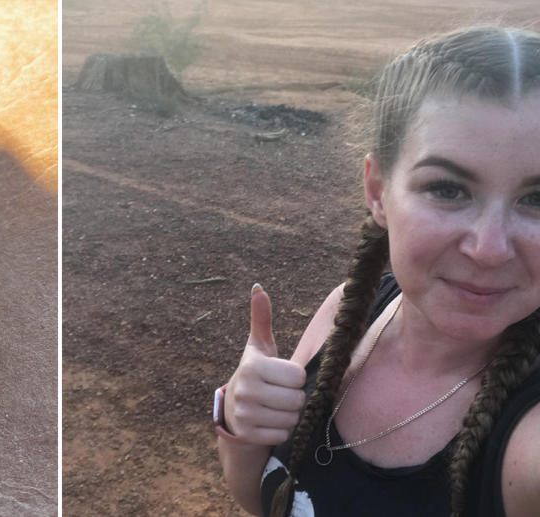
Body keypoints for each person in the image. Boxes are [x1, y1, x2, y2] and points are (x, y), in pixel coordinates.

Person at [213, 26, 540, 517]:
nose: (489, 249)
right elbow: (271, 503)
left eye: (536, 199)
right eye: (448, 189)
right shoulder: (346, 309)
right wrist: (241, 430)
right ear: (377, 191)